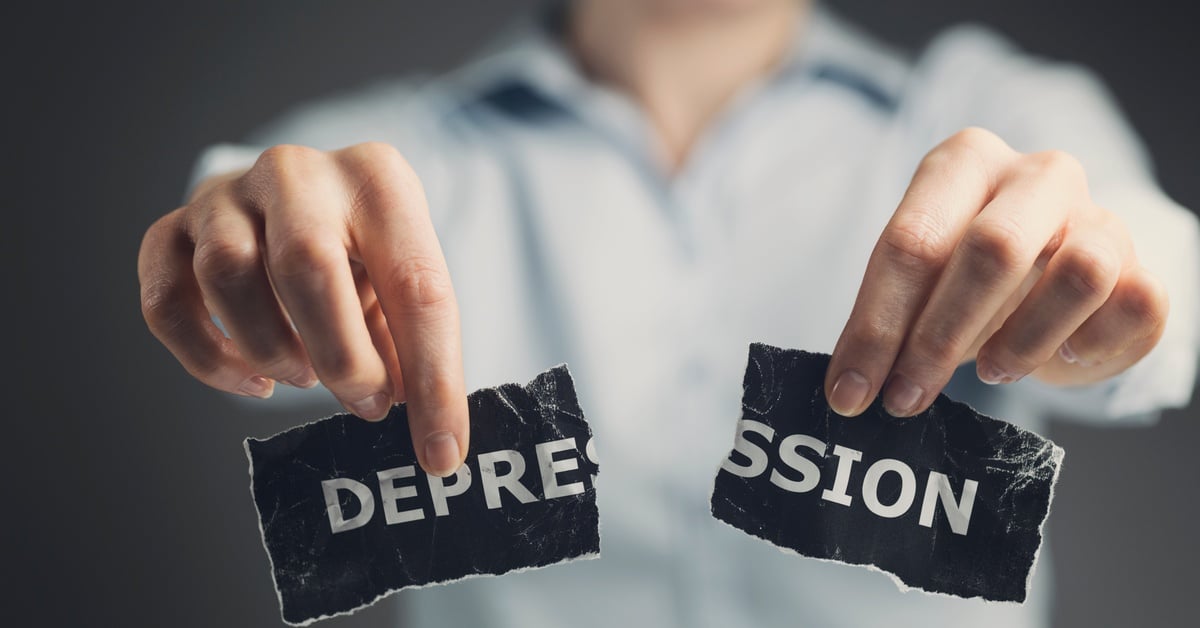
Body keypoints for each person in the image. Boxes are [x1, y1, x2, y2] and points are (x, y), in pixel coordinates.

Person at [137, 1, 1199, 626]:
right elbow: (250, 220)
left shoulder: (991, 111)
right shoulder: (391, 158)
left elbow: (1156, 260)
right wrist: (235, 244)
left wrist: (1121, 280)